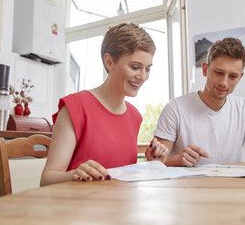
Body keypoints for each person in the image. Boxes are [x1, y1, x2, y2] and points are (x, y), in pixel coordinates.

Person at [41, 23, 169, 186]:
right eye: (135, 67)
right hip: (78, 206)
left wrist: (152, 163)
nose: (142, 76)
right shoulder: (75, 107)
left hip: (120, 207)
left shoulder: (134, 116)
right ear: (109, 62)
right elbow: (47, 179)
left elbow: (120, 175)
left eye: (148, 69)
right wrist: (76, 174)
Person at [148, 37, 245, 167]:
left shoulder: (244, 109)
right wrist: (178, 160)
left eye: (232, 76)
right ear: (205, 69)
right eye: (219, 73)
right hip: (188, 192)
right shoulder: (175, 108)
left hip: (229, 190)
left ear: (240, 77)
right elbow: (156, 162)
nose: (224, 83)